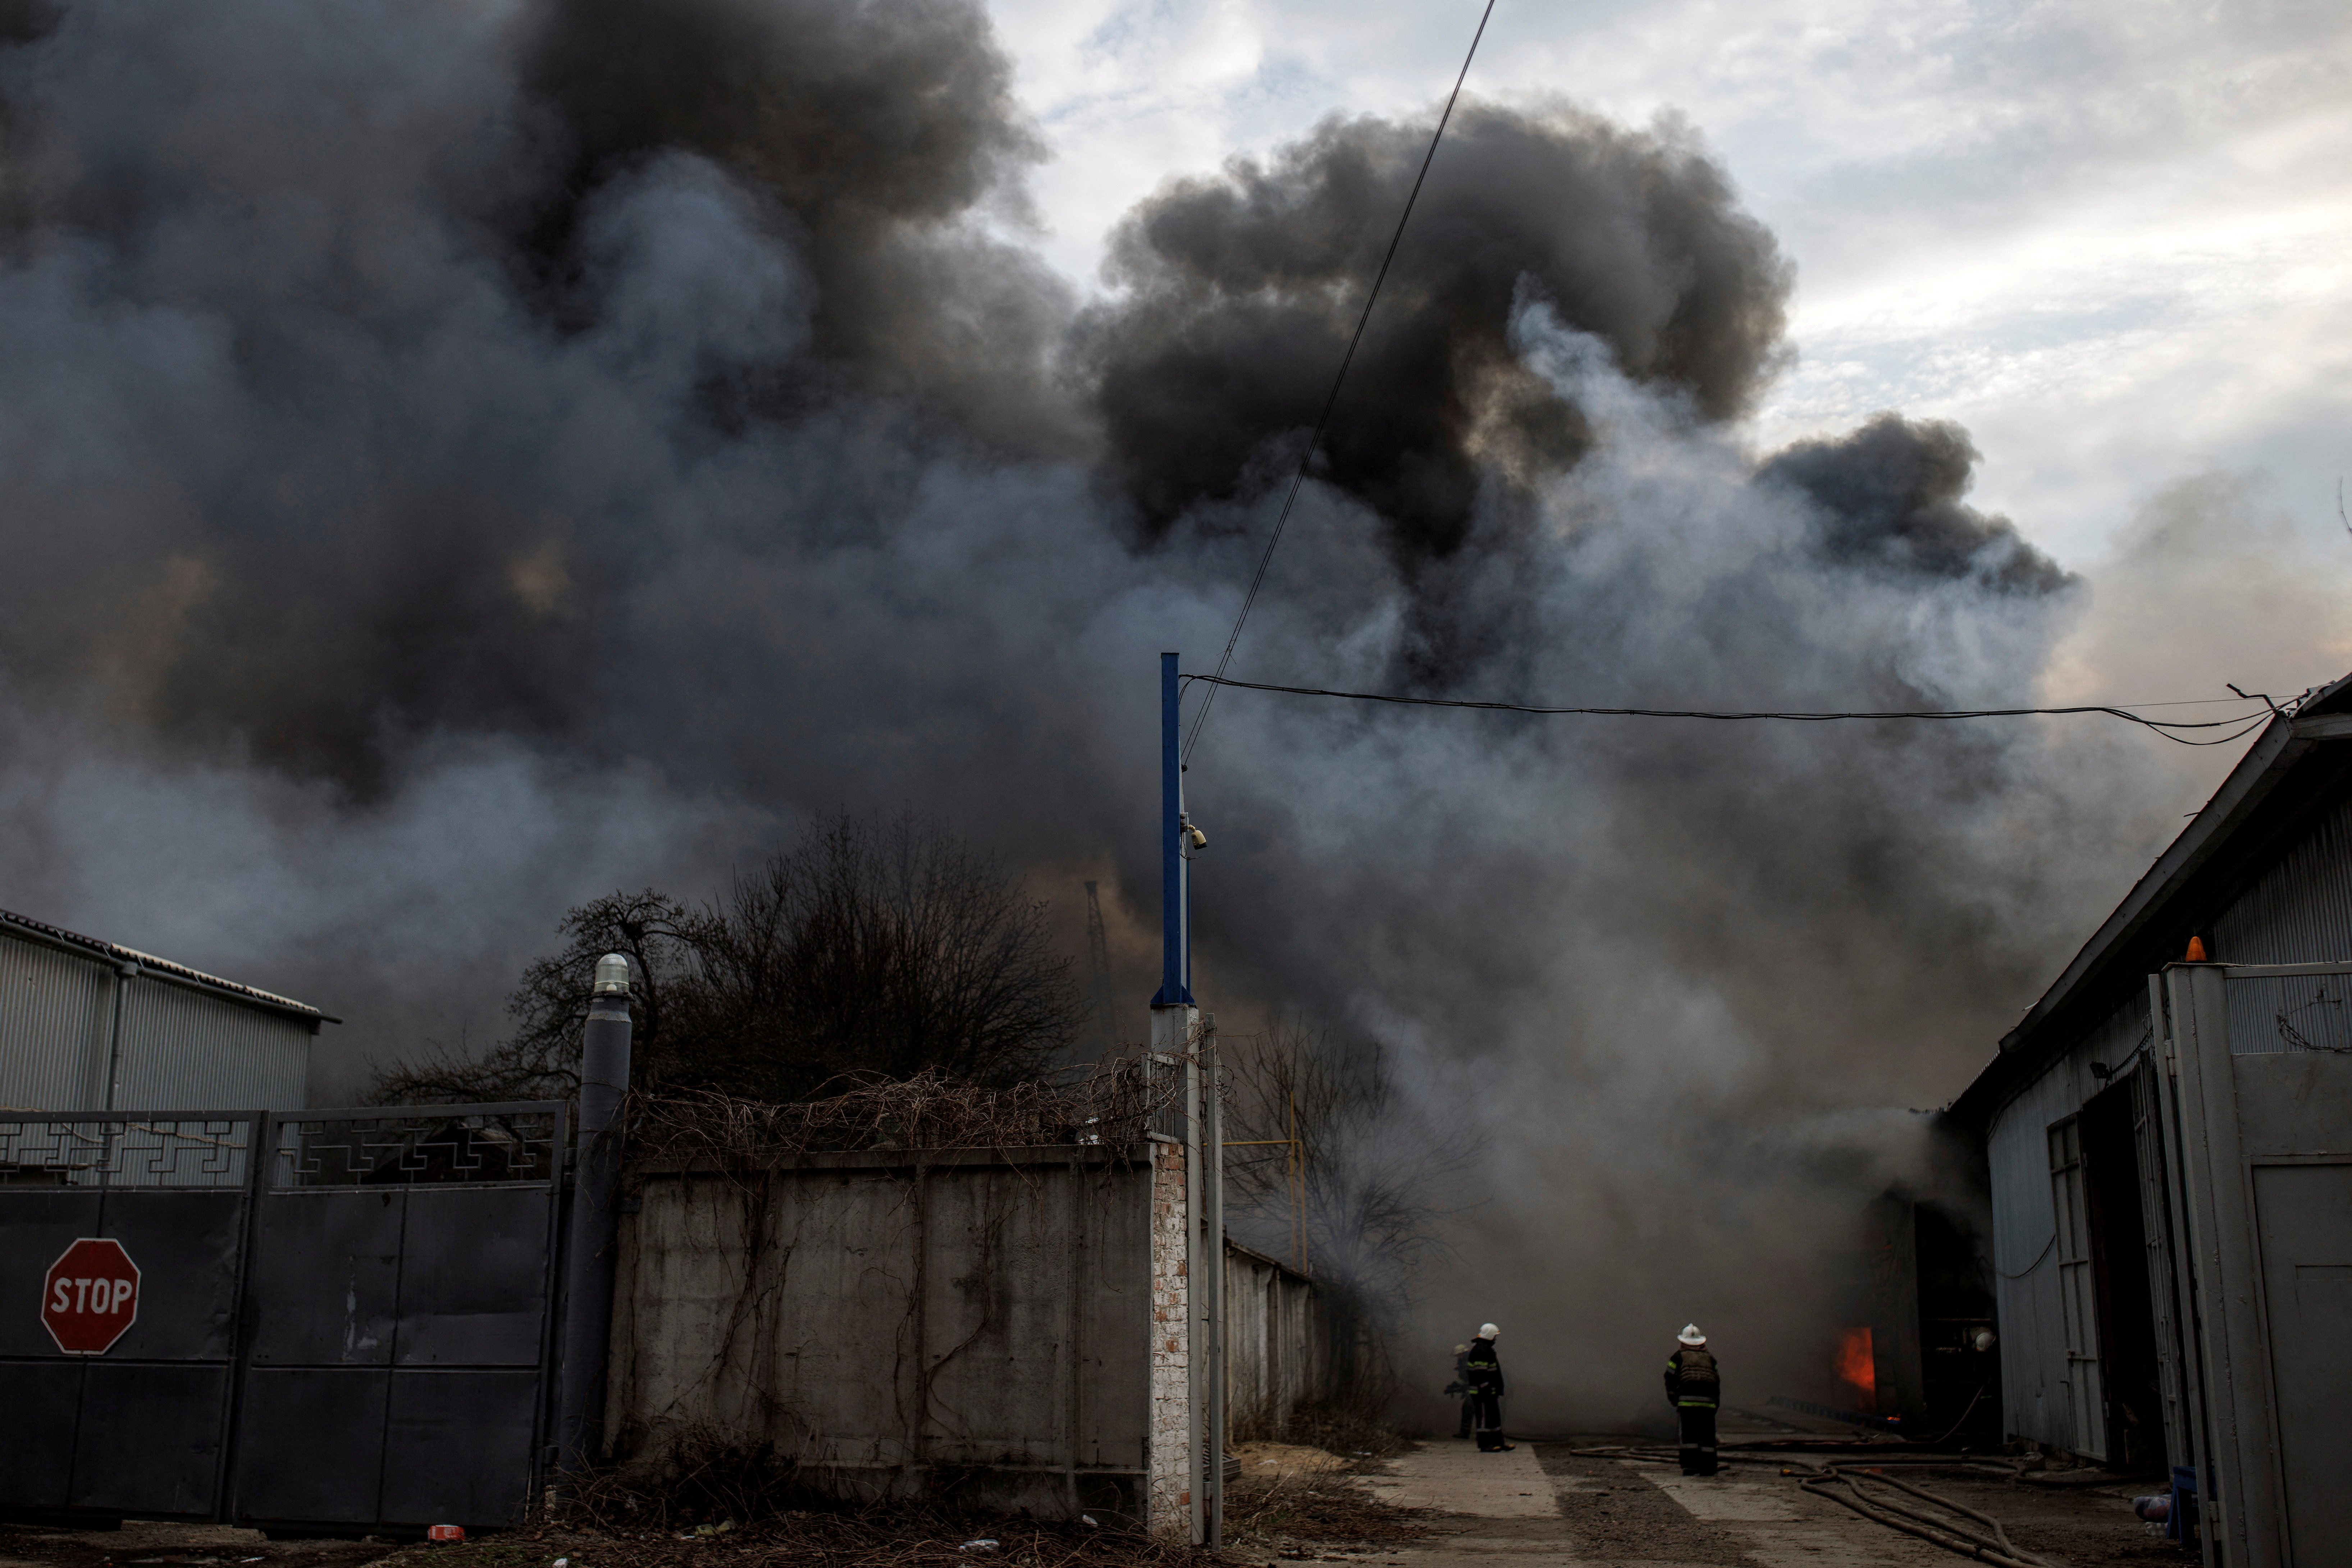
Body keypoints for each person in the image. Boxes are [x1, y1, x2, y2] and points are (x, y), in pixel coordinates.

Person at [1664, 1324, 1720, 1476]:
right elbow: (1716, 1382)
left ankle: (1690, 1466)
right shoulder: (1710, 1359)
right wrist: (1716, 1403)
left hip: (1687, 1404)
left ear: (1683, 1341)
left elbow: (1670, 1377)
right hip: (1707, 1404)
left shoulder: (1678, 1357)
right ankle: (1709, 1467)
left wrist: (1673, 1397)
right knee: (1707, 1435)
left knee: (1689, 1436)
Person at [1466, 1323, 1513, 1452]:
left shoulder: (1486, 1350)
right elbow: (1480, 1373)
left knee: (1494, 1417)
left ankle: (1498, 1443)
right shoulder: (1480, 1351)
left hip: (1489, 1391)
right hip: (1482, 1393)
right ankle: (1485, 1445)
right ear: (1490, 1336)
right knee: (1484, 1419)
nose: (1496, 1339)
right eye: (1495, 1336)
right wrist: (1486, 1388)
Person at [1445, 1343, 1474, 1438]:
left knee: (1467, 1409)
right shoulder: (1470, 1360)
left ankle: (1465, 1433)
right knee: (1473, 1410)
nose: (1458, 1358)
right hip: (1476, 1391)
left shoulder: (1466, 1364)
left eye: (1459, 1355)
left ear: (1464, 1353)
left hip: (1474, 1392)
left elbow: (1463, 1379)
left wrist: (1452, 1387)